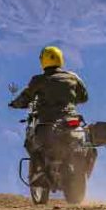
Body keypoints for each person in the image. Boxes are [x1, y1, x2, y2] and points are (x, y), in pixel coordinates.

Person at [9, 46, 89, 178]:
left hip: (47, 122)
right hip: (71, 121)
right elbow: (84, 97)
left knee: (30, 141)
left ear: (43, 61)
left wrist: (15, 104)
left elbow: (25, 97)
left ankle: (41, 172)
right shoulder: (73, 77)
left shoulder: (38, 80)